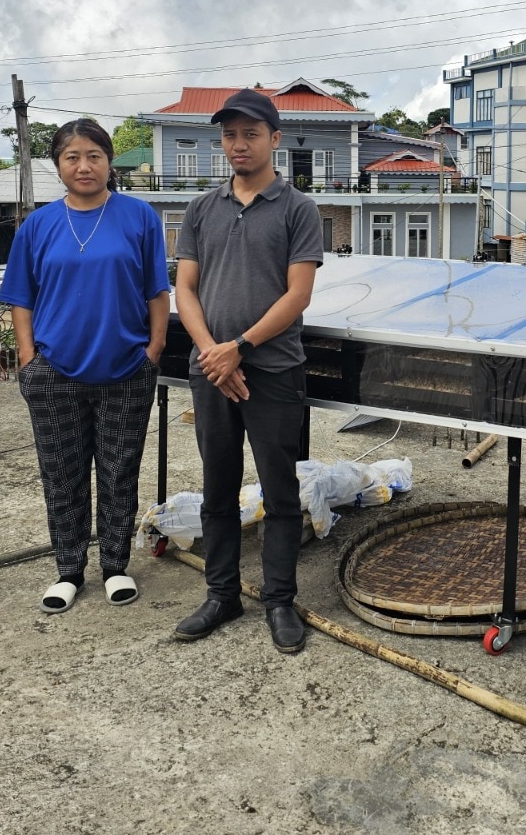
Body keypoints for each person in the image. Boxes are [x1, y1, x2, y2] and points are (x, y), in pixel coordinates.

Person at [173, 89, 323, 654]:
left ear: (274, 139)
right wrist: (215, 352)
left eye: (251, 134)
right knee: (218, 485)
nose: (239, 144)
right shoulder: (201, 208)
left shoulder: (296, 208)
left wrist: (240, 346)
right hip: (211, 369)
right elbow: (185, 289)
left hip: (275, 369)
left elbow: (298, 294)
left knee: (279, 490)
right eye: (230, 135)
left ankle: (280, 599)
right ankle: (222, 593)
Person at [1, 118, 170, 614]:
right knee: (62, 473)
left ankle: (116, 566)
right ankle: (68, 570)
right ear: (58, 165)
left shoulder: (138, 217)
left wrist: (153, 349)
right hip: (54, 372)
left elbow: (156, 291)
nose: (84, 165)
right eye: (72, 157)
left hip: (125, 369)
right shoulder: (37, 225)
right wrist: (30, 359)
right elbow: (20, 299)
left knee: (119, 471)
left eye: (94, 155)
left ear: (109, 161)